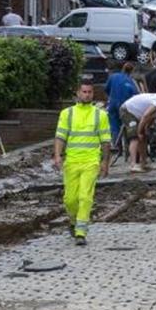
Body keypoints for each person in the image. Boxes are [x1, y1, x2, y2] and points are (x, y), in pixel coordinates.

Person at [54, 77, 112, 245]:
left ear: (93, 93)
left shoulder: (100, 115)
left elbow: (106, 141)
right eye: (84, 92)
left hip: (90, 161)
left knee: (85, 197)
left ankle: (81, 232)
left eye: (90, 92)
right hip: (71, 161)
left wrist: (105, 162)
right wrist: (57, 155)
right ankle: (73, 222)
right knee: (70, 199)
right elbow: (60, 136)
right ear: (78, 93)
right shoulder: (67, 114)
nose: (87, 95)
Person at [121, 90, 156, 171]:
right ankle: (133, 164)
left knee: (144, 137)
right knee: (135, 137)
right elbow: (145, 116)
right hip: (128, 111)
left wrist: (145, 129)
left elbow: (151, 117)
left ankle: (143, 163)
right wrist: (139, 131)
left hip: (138, 114)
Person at [105, 61, 139, 156]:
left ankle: (116, 148)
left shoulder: (113, 77)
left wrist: (111, 97)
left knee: (114, 126)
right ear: (131, 71)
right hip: (125, 106)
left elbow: (106, 89)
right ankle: (128, 147)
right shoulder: (130, 81)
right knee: (128, 126)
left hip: (112, 104)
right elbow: (135, 95)